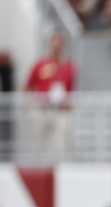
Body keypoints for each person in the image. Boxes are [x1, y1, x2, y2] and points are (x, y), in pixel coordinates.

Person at [24, 33, 76, 163]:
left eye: (59, 45)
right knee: (38, 141)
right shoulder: (40, 64)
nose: (56, 48)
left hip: (59, 109)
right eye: (54, 45)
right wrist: (31, 103)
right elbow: (29, 86)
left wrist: (68, 103)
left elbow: (70, 90)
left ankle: (58, 166)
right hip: (42, 108)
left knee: (59, 142)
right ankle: (36, 167)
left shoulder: (69, 66)